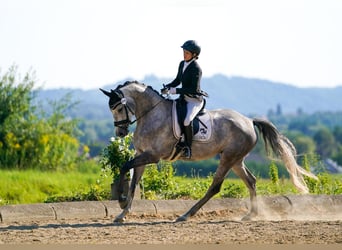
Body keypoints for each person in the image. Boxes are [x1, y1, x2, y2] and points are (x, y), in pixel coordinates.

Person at [161, 40, 208, 159]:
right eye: (184, 51)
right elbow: (177, 80)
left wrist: (175, 91)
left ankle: (187, 147)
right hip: (183, 98)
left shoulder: (196, 68)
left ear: (194, 55)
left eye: (187, 52)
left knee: (187, 120)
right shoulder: (182, 64)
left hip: (194, 100)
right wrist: (168, 87)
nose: (184, 54)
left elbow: (192, 89)